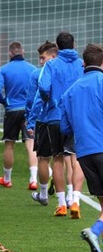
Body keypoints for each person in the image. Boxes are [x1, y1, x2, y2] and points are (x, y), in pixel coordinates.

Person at [31, 32, 83, 218]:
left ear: (58, 48)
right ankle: (75, 199)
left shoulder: (52, 65)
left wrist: (49, 101)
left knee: (58, 159)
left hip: (55, 116)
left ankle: (61, 204)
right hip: (76, 116)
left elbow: (43, 87)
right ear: (74, 45)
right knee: (76, 158)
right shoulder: (80, 64)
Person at [59, 43, 103, 252]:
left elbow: (65, 128)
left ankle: (96, 236)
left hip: (84, 153)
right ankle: (94, 231)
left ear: (84, 64)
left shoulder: (71, 90)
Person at [0, 41, 37, 189]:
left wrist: (5, 102)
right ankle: (33, 180)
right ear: (22, 51)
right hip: (29, 110)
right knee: (30, 144)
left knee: (9, 144)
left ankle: (7, 179)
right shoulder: (32, 69)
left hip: (12, 110)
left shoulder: (4, 69)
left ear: (10, 53)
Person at [26, 41, 57, 199]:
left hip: (45, 119)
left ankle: (43, 194)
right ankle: (71, 198)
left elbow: (32, 100)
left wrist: (30, 120)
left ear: (53, 56)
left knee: (43, 158)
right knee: (66, 158)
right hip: (65, 120)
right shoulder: (70, 70)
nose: (40, 61)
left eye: (42, 57)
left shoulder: (37, 74)